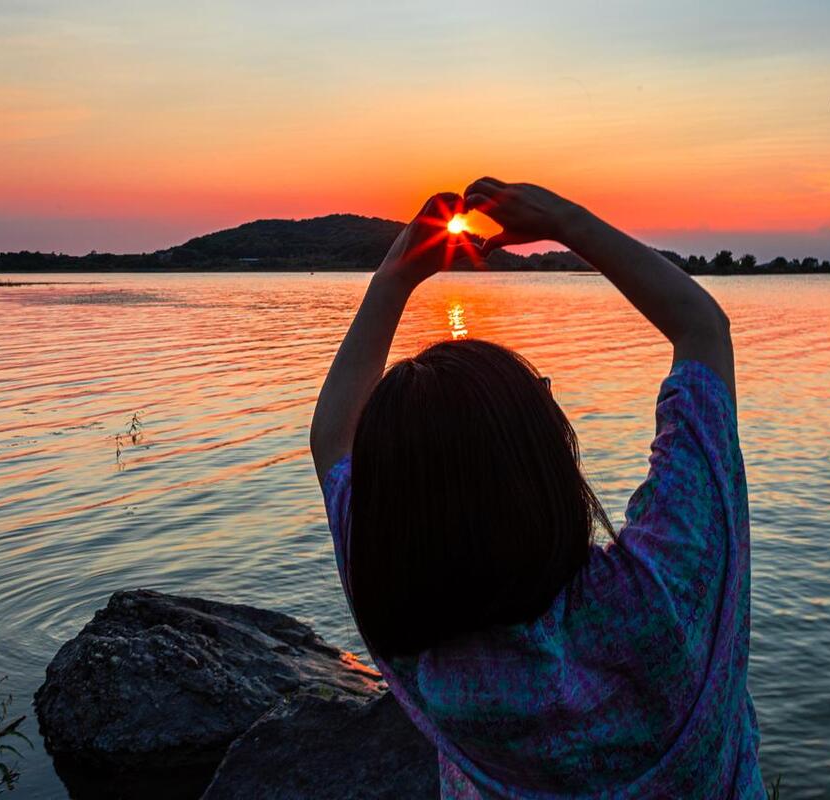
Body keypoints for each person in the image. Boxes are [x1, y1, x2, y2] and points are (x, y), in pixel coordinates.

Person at [310, 178, 763, 798]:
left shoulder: (420, 653)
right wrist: (565, 220)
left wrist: (390, 283)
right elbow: (702, 328)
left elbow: (332, 440)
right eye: (540, 397)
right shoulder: (656, 598)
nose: (549, 389)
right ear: (533, 476)